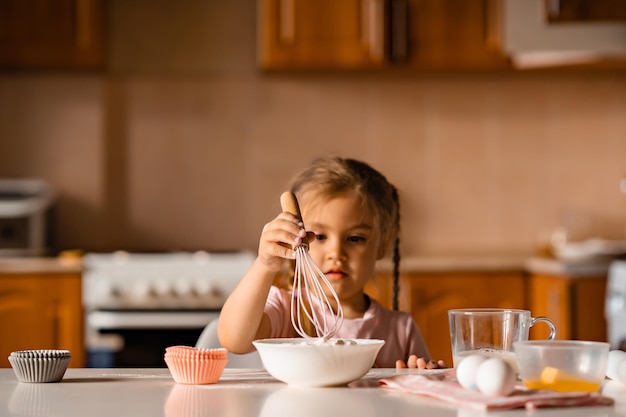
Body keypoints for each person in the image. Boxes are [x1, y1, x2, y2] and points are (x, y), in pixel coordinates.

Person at [218, 156, 445, 369]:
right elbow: (235, 339)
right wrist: (265, 265)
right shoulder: (285, 310)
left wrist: (424, 376)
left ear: (382, 243)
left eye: (355, 239)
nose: (336, 253)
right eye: (319, 236)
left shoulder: (401, 329)